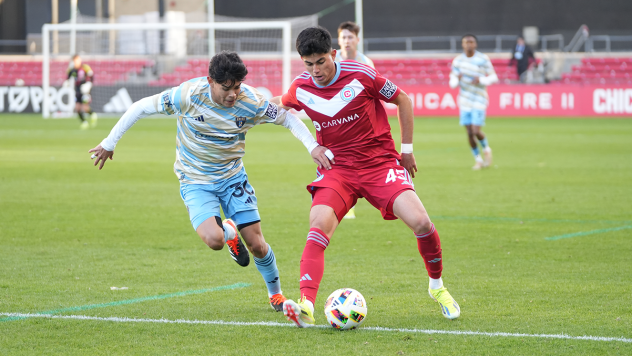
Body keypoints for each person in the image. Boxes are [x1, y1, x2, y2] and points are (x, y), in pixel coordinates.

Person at [88, 51, 327, 312]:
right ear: (210, 80)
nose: (233, 94)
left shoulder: (252, 101)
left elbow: (287, 118)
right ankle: (229, 233)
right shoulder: (188, 96)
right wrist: (109, 143)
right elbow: (140, 107)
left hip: (233, 178)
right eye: (226, 88)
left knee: (257, 245)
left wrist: (313, 146)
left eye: (237, 87)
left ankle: (276, 295)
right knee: (214, 240)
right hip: (195, 180)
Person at [273, 27, 460, 327]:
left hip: (379, 165)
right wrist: (245, 104)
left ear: (333, 54)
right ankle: (306, 304)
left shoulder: (362, 75)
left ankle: (437, 287)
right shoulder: (301, 87)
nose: (315, 70)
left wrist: (407, 149)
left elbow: (404, 100)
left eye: (320, 61)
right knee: (318, 226)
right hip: (338, 170)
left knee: (422, 223)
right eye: (308, 64)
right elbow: (278, 106)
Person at [336, 21, 375, 219]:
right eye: (344, 37)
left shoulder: (366, 63)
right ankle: (343, 203)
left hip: (358, 122)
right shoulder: (332, 61)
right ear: (339, 40)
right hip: (335, 121)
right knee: (335, 160)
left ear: (357, 40)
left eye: (350, 37)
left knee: (359, 160)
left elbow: (373, 92)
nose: (347, 41)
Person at [449, 34, 498, 170]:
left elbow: (494, 77)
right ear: (462, 45)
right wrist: (457, 79)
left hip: (479, 99)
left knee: (476, 130)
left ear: (475, 44)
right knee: (469, 133)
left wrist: (481, 80)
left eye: (471, 42)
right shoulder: (458, 61)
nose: (469, 44)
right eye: (466, 42)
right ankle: (478, 160)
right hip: (464, 101)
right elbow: (452, 83)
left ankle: (487, 149)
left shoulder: (482, 59)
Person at [66, 54, 97, 129]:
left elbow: (92, 76)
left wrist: (89, 84)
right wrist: (66, 83)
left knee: (85, 108)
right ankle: (84, 122)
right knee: (77, 108)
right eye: (75, 60)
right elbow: (68, 77)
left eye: (78, 60)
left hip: (85, 90)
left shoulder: (85, 67)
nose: (76, 62)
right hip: (77, 91)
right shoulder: (72, 70)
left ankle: (92, 114)